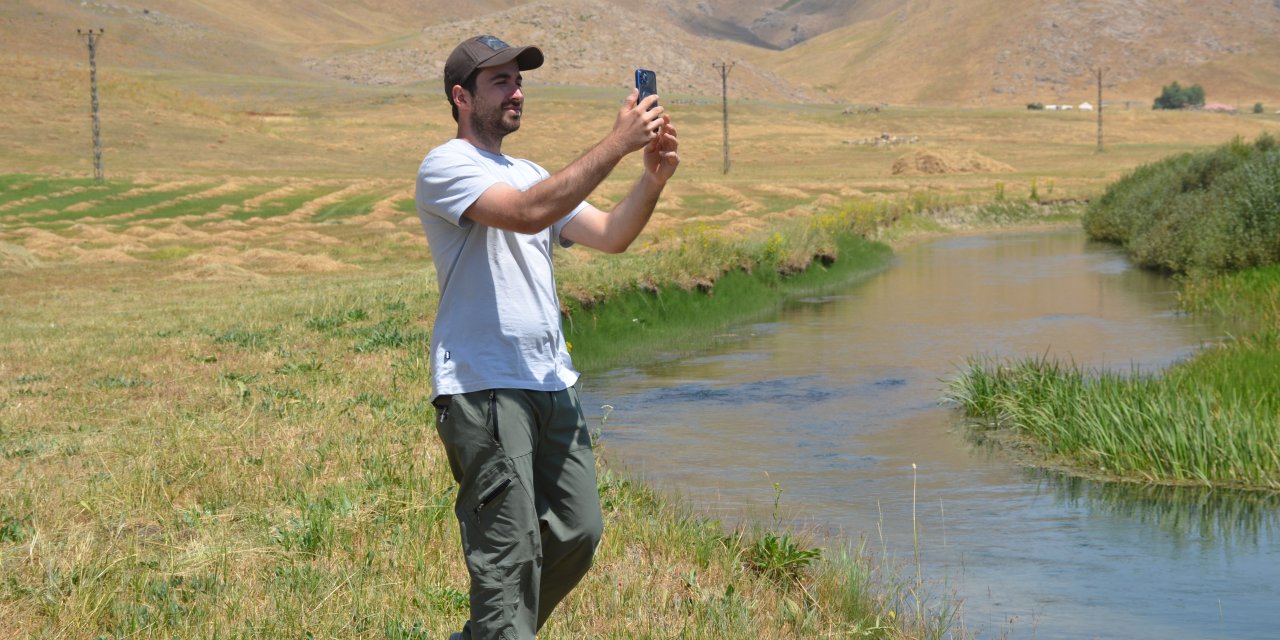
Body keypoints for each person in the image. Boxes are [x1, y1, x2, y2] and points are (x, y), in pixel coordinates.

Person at [414, 35, 679, 639]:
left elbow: (611, 234)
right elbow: (527, 213)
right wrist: (617, 142)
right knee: (509, 554)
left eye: (520, 80)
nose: (517, 92)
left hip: (550, 379)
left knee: (579, 529)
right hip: (484, 387)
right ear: (461, 97)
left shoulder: (531, 172)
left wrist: (652, 178)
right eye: (500, 82)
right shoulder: (445, 166)